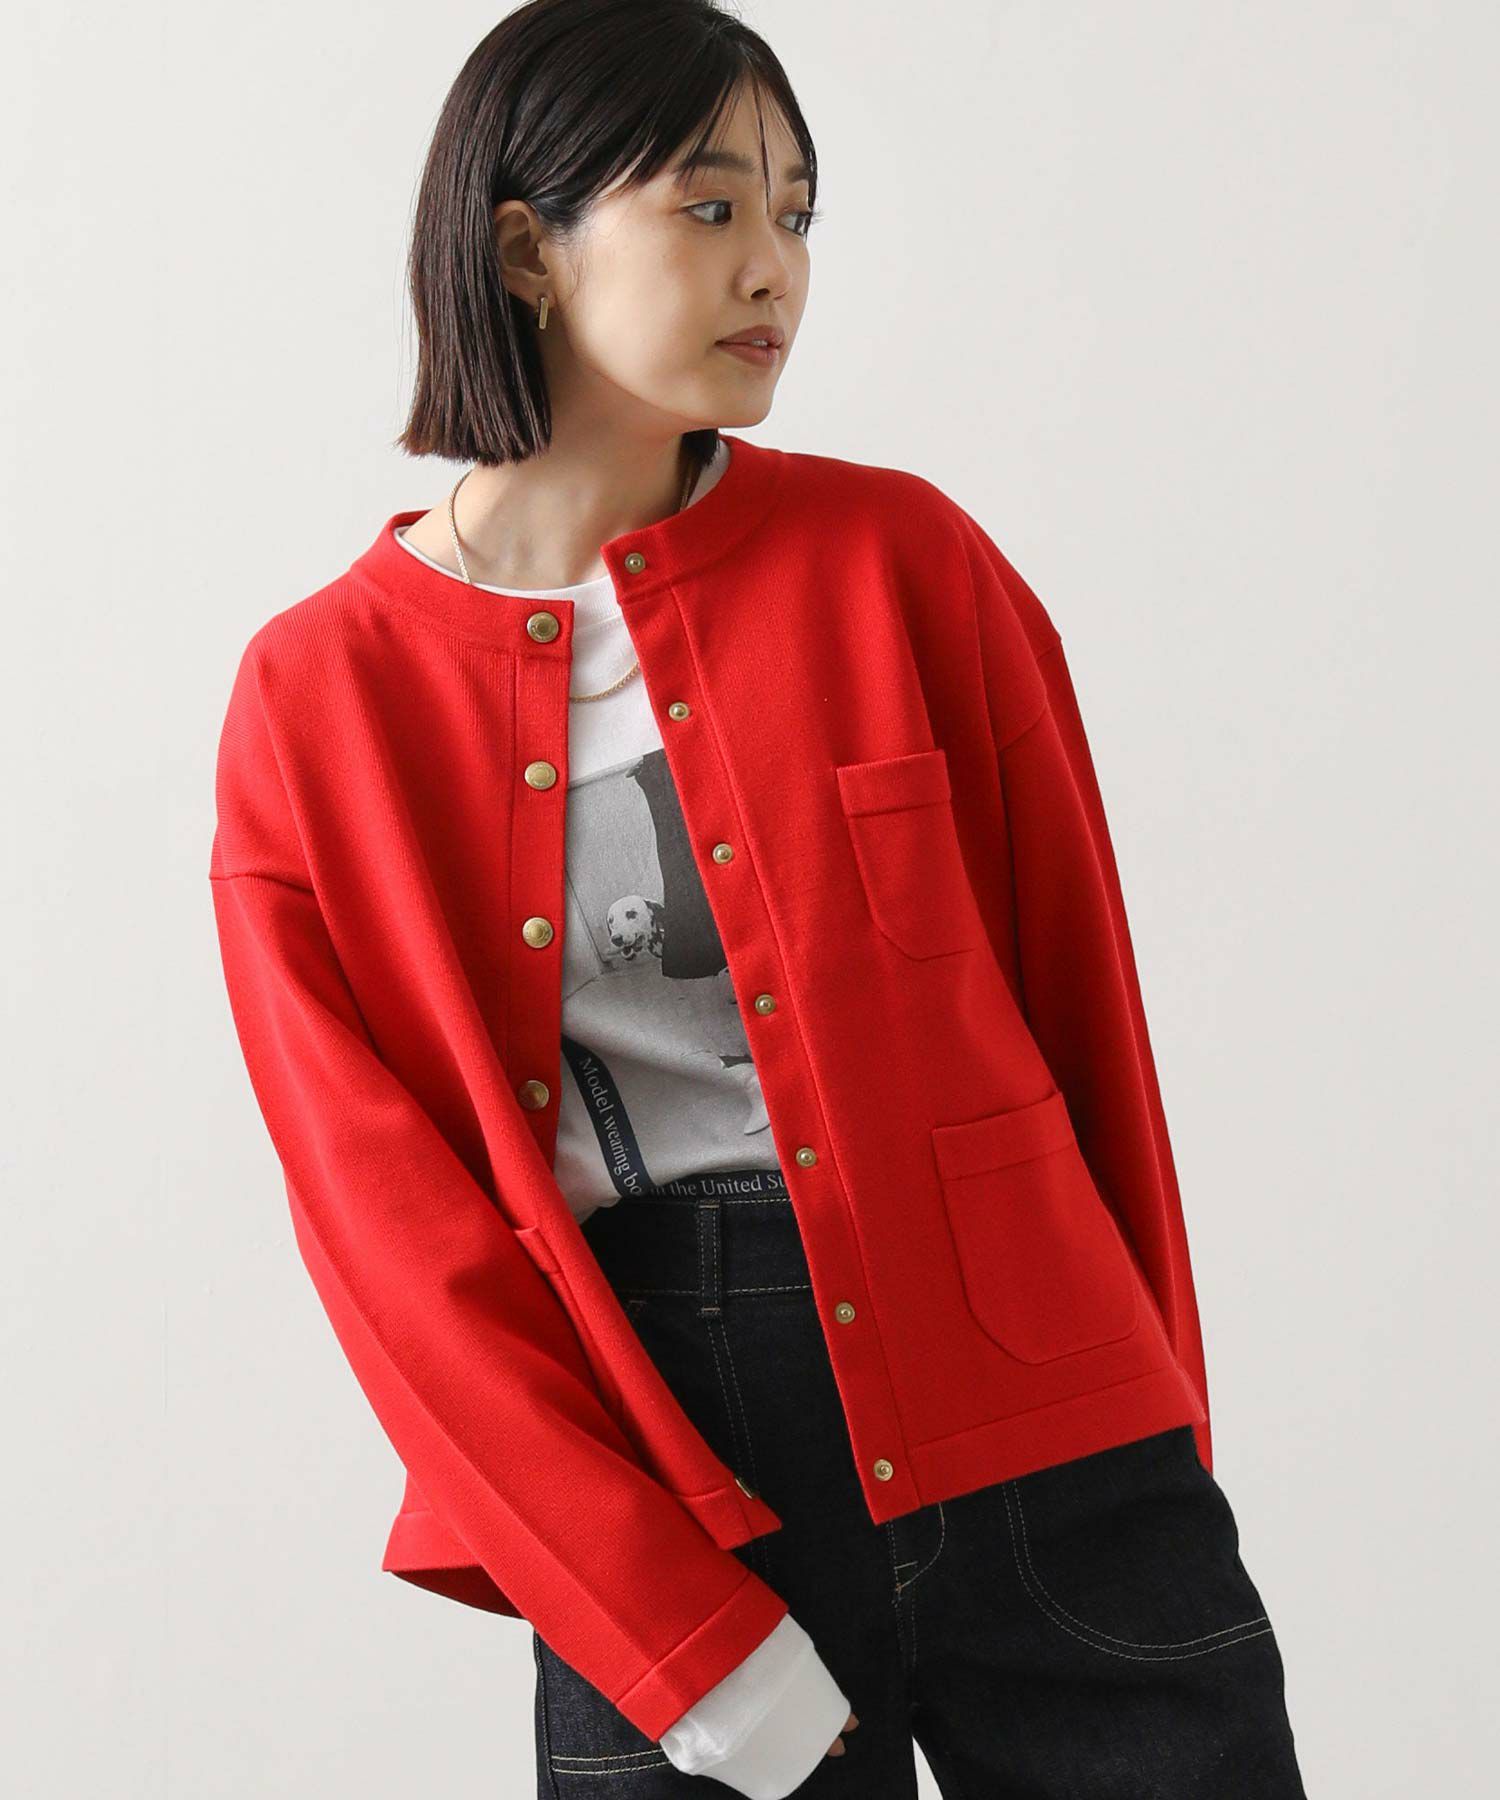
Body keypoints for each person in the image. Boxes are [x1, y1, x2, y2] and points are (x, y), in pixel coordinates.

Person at [207, 3, 1309, 1795]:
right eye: (711, 208)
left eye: (798, 215)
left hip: (1049, 1444)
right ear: (524, 250)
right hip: (673, 1477)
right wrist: (661, 1631)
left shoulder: (909, 565)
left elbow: (1085, 1029)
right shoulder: (322, 700)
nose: (773, 266)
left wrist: (1157, 1432)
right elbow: (394, 1239)